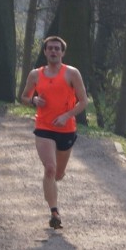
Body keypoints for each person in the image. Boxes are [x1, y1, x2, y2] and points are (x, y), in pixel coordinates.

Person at [19, 36, 89, 230]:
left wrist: (67, 116)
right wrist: (33, 101)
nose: (53, 51)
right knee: (49, 168)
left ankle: (56, 178)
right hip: (43, 127)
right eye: (50, 48)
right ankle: (54, 212)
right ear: (45, 52)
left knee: (57, 174)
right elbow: (23, 97)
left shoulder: (72, 73)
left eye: (57, 49)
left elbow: (84, 102)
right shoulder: (36, 74)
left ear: (63, 52)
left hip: (66, 129)